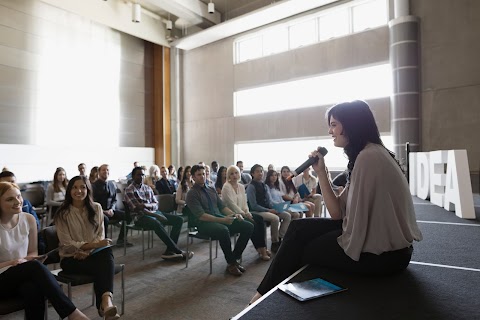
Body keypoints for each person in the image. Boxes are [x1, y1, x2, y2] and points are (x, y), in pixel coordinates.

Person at [250, 100, 423, 304]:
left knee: (304, 249)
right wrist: (321, 172)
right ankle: (260, 297)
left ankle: (261, 302)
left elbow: (346, 222)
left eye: (334, 124)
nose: (330, 131)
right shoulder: (368, 154)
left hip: (384, 257)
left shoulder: (368, 158)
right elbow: (338, 213)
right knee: (298, 228)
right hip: (392, 254)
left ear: (351, 124)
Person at [0, 182, 90, 320]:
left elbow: (32, 252)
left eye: (18, 196)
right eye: (9, 199)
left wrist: (27, 260)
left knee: (33, 290)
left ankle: (73, 314)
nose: (17, 201)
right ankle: (73, 313)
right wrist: (14, 262)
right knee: (35, 268)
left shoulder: (28, 219)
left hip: (23, 273)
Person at [54, 176, 120, 320]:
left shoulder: (96, 208)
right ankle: (105, 304)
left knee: (106, 252)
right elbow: (66, 244)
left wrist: (89, 251)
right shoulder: (62, 213)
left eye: (83, 187)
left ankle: (106, 301)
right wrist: (91, 247)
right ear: (69, 190)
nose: (79, 191)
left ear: (88, 189)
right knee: (103, 264)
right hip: (71, 259)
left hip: (93, 255)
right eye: (75, 187)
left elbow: (100, 235)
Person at [186, 165, 254, 276]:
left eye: (204, 174)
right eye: (199, 175)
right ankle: (232, 263)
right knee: (223, 230)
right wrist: (223, 220)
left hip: (219, 219)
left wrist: (234, 214)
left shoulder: (211, 189)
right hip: (204, 224)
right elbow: (201, 216)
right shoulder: (192, 193)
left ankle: (234, 258)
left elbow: (222, 207)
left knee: (248, 226)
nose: (202, 177)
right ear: (193, 177)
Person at [124, 167, 192, 260]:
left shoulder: (147, 188)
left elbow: (156, 204)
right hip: (140, 218)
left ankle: (169, 251)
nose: (141, 177)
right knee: (156, 222)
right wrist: (153, 211)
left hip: (155, 213)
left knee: (178, 220)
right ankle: (177, 251)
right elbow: (138, 209)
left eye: (143, 175)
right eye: (138, 175)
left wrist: (145, 205)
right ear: (133, 176)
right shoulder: (129, 190)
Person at [222, 165, 271, 261]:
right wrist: (244, 214)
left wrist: (247, 212)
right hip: (232, 215)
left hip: (243, 213)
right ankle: (261, 250)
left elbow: (245, 203)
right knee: (252, 223)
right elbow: (231, 204)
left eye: (236, 173)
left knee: (259, 219)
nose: (234, 175)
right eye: (231, 174)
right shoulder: (226, 187)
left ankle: (262, 248)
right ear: (228, 176)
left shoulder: (241, 186)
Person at [249, 166, 291, 253]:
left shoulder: (264, 185)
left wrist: (277, 207)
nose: (260, 173)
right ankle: (274, 243)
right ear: (252, 174)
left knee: (287, 215)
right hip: (257, 211)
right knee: (275, 218)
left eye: (261, 171)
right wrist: (268, 210)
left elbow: (269, 202)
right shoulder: (251, 187)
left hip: (267, 209)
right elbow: (253, 205)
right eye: (257, 171)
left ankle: (280, 237)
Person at [0, 171, 45, 253]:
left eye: (12, 182)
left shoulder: (26, 211)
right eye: (10, 199)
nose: (18, 202)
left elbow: (36, 224)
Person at [92, 164, 132, 247]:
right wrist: (104, 211)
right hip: (99, 212)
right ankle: (104, 242)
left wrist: (111, 209)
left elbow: (114, 200)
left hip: (110, 210)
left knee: (127, 215)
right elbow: (93, 202)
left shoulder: (111, 184)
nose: (106, 171)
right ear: (99, 172)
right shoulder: (94, 186)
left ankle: (121, 239)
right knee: (105, 219)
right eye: (103, 170)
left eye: (107, 170)